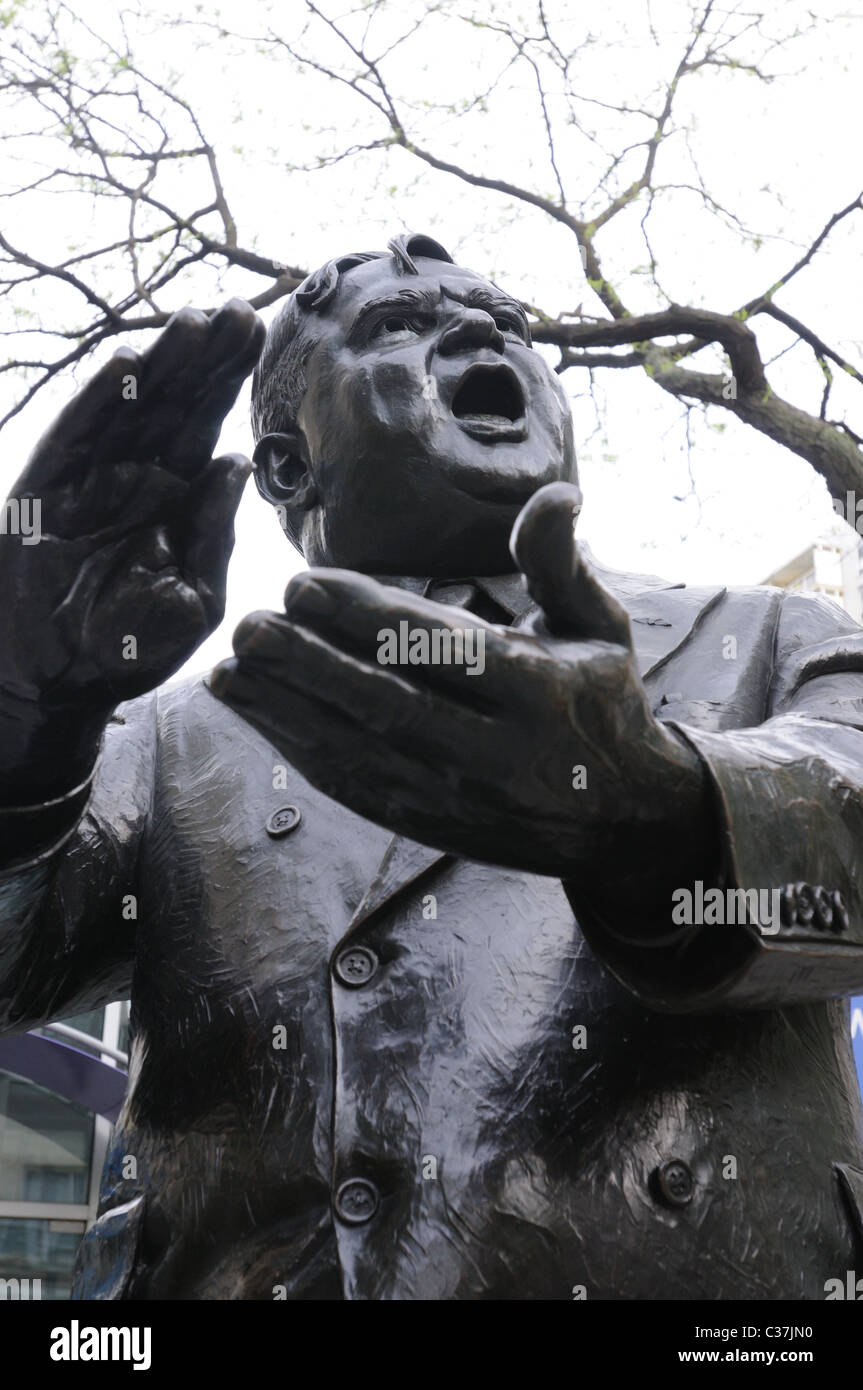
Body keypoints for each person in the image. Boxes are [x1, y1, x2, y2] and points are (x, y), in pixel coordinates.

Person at [1, 233, 862, 1301]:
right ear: (286, 464)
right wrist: (24, 717)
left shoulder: (765, 638)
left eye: (503, 321)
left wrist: (655, 809)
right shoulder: (172, 733)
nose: (474, 330)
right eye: (396, 327)